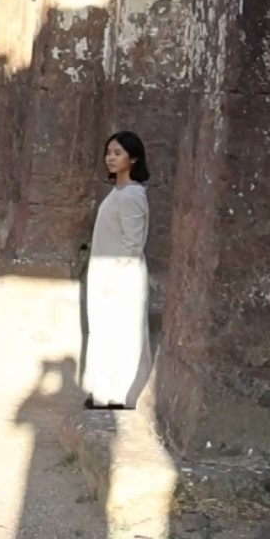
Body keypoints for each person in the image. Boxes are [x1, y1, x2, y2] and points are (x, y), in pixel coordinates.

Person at [83, 131, 151, 409]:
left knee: (122, 332)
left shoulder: (132, 194)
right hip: (105, 272)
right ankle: (104, 391)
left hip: (121, 275)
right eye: (108, 152)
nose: (110, 158)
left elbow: (133, 243)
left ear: (133, 158)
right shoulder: (119, 191)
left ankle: (120, 394)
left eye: (118, 153)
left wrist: (115, 276)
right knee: (104, 330)